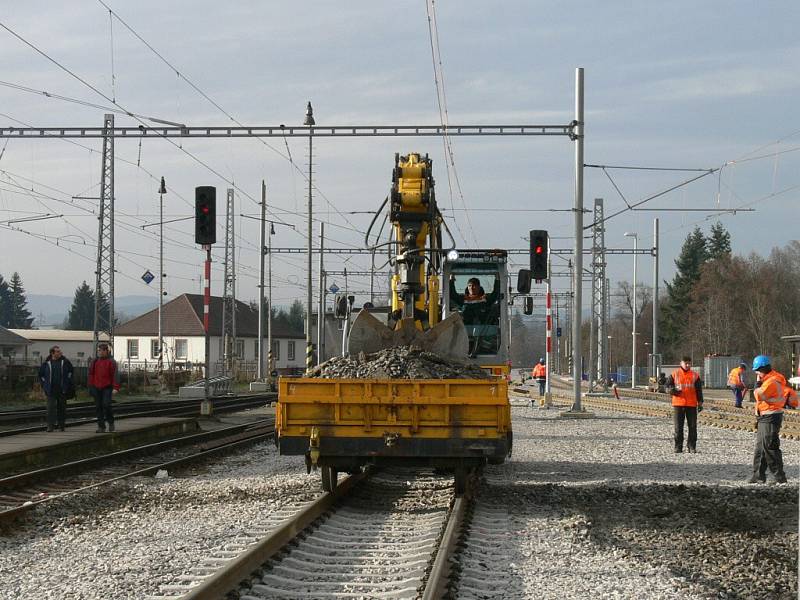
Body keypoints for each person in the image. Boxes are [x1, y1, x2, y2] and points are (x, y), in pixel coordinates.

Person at [748, 355, 798, 484]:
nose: (756, 373)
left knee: (770, 447)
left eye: (757, 370)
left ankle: (779, 477)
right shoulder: (769, 378)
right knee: (760, 448)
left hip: (771, 415)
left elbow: (758, 395)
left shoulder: (771, 381)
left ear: (763, 368)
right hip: (764, 415)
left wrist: (757, 384)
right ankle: (758, 475)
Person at [665, 356, 703, 453]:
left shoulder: (695, 375)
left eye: (689, 363)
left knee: (693, 427)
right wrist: (672, 391)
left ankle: (692, 446)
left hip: (691, 404)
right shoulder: (675, 374)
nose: (687, 365)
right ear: (681, 363)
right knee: (678, 427)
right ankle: (678, 447)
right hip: (678, 404)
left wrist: (700, 402)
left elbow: (699, 390)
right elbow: (667, 387)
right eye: (686, 363)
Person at [38, 346, 74, 432]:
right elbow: (41, 375)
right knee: (50, 408)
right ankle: (50, 426)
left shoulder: (65, 362)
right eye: (57, 351)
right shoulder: (47, 363)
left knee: (62, 408)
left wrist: (68, 383)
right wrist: (44, 385)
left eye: (59, 351)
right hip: (50, 390)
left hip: (62, 389)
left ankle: (61, 425)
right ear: (52, 353)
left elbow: (71, 372)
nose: (60, 353)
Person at [88, 343, 120, 433]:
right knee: (98, 407)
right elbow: (91, 374)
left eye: (102, 350)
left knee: (106, 405)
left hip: (107, 387)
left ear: (106, 351)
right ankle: (101, 426)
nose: (100, 352)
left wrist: (115, 388)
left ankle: (111, 422)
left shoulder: (111, 362)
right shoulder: (94, 362)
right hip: (96, 387)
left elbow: (115, 375)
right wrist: (90, 386)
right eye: (99, 350)